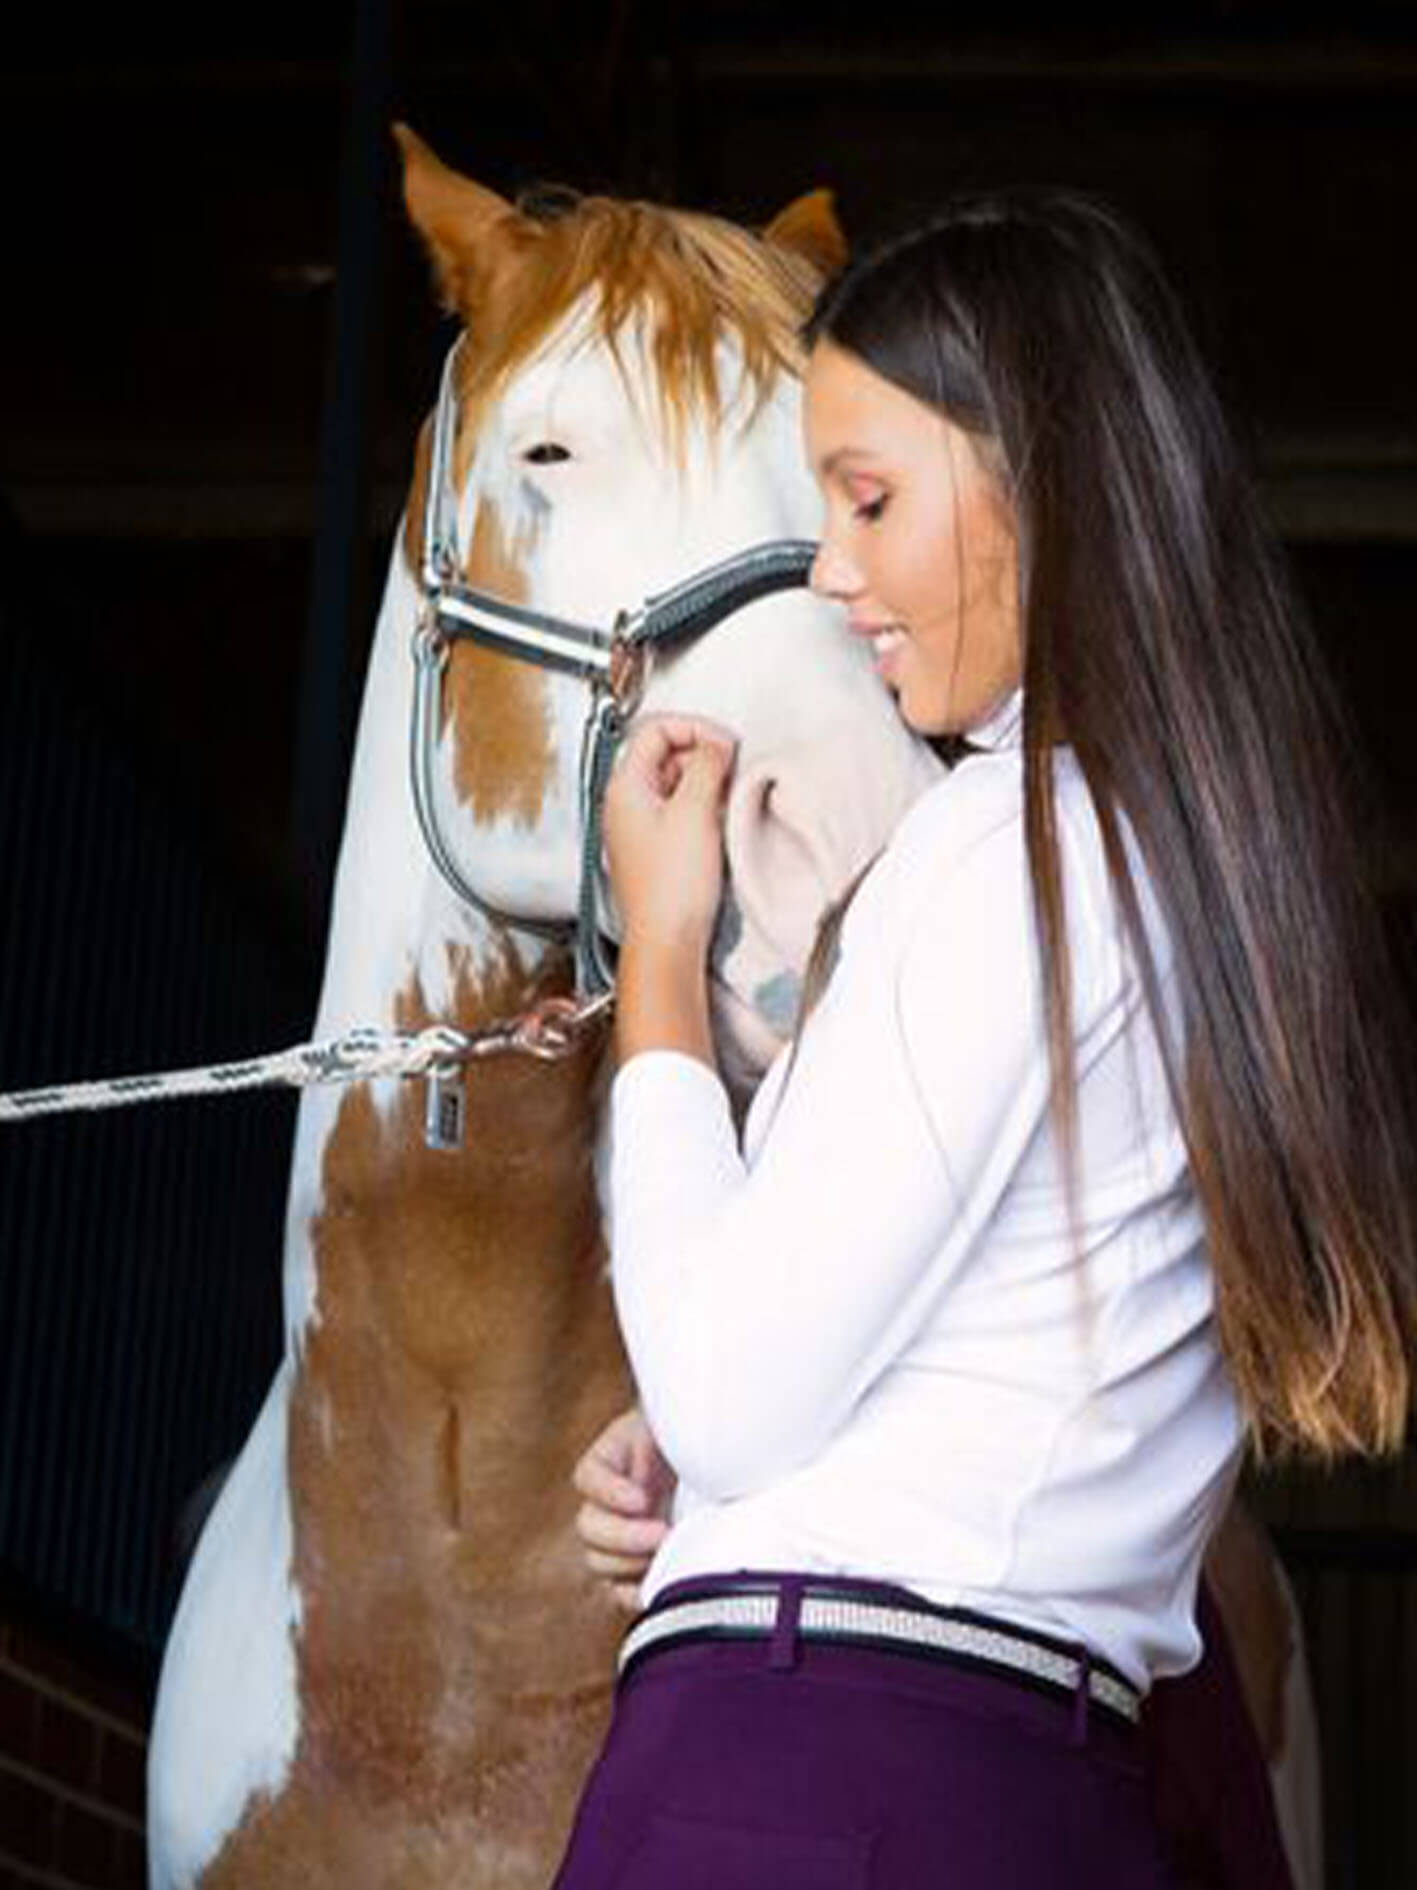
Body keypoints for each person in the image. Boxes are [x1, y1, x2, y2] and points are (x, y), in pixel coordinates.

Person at [551, 192, 1416, 1889]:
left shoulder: (1012, 842)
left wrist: (655, 945)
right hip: (1008, 1777)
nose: (827, 567)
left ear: (1048, 482)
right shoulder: (1177, 860)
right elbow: (954, 1342)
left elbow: (725, 1391)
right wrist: (732, 1487)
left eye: (868, 498)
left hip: (814, 1771)